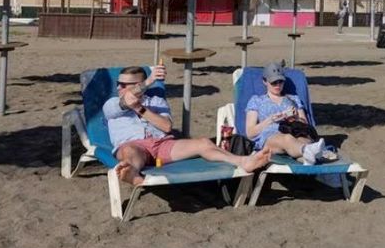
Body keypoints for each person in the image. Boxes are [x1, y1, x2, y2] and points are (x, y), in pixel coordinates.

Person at [104, 66, 271, 186]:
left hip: (162, 144)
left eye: (124, 85)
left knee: (204, 143)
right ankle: (131, 173)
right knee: (131, 153)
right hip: (133, 145)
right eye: (119, 83)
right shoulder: (111, 103)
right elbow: (126, 100)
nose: (118, 87)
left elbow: (167, 127)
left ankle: (243, 161)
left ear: (136, 85)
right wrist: (148, 81)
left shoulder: (156, 101)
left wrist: (140, 108)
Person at [245, 62, 335, 164]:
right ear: (265, 81)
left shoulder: (293, 99)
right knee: (287, 139)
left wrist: (295, 117)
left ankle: (306, 154)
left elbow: (305, 124)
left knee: (303, 139)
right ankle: (310, 152)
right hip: (271, 136)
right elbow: (250, 133)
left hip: (295, 132)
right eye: (274, 82)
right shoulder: (257, 101)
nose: (278, 85)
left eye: (280, 81)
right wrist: (271, 120)